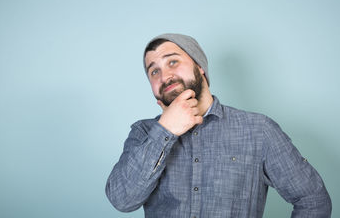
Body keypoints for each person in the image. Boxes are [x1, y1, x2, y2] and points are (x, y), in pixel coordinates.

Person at [105, 33, 332, 218]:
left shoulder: (259, 131)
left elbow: (312, 200)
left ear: (200, 67)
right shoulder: (143, 133)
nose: (165, 76)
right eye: (154, 71)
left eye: (173, 61)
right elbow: (122, 200)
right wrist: (165, 130)